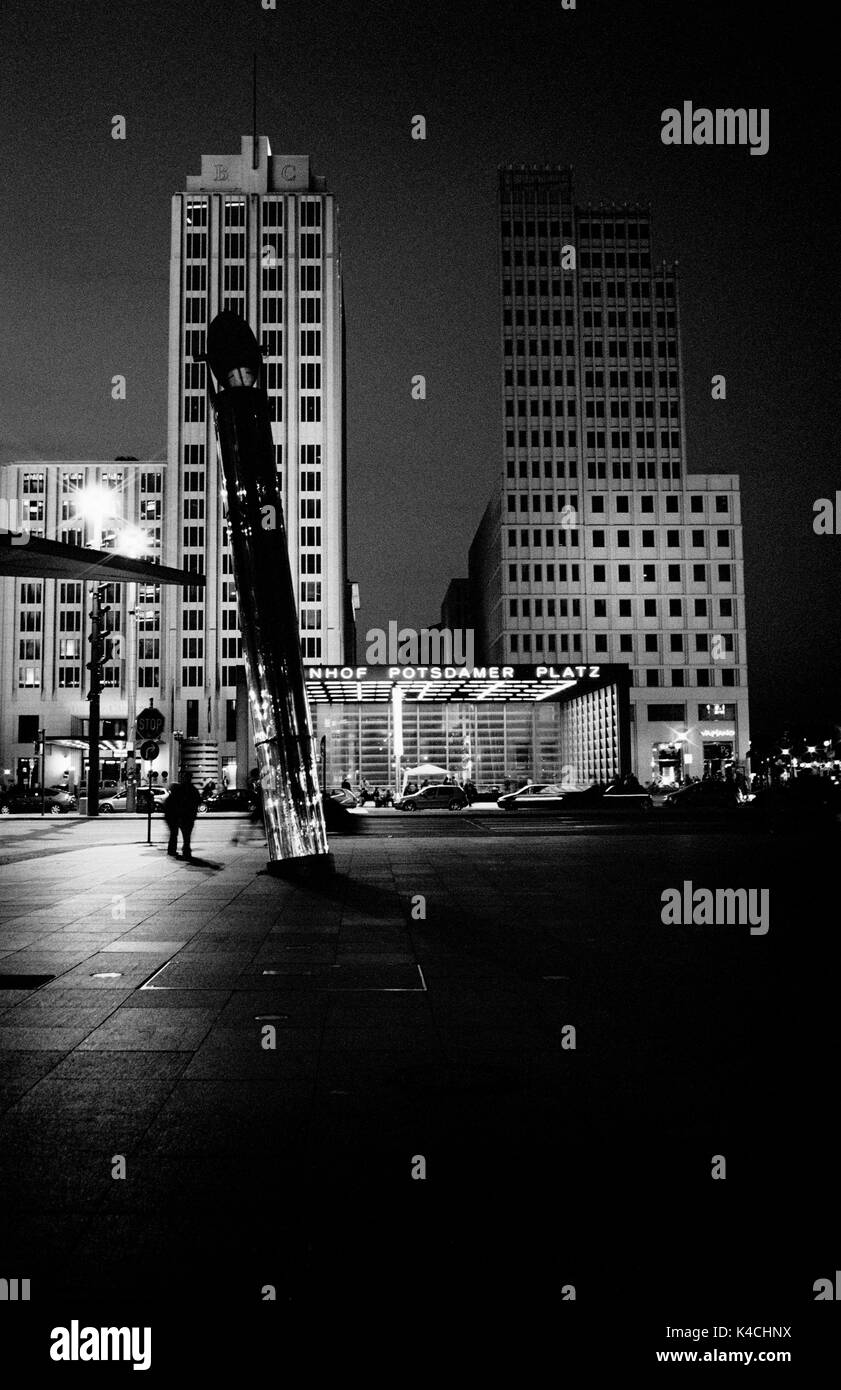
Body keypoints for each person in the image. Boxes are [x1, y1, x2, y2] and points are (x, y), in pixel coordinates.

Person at [163, 772, 202, 860]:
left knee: (175, 834)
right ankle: (186, 851)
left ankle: (173, 850)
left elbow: (173, 802)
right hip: (189, 816)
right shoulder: (193, 789)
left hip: (180, 815)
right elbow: (199, 801)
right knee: (186, 836)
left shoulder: (179, 789)